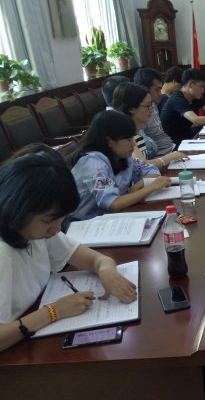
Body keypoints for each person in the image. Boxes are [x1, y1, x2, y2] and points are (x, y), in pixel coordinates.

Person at [0, 146, 137, 352]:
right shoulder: (3, 253)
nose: (56, 229)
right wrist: (54, 311)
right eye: (49, 221)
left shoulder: (34, 230)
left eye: (61, 220)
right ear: (17, 207)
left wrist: (106, 270)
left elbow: (96, 259)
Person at [69, 110, 171, 223]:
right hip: (85, 223)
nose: (133, 144)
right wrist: (151, 187)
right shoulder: (93, 164)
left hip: (114, 217)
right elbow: (113, 204)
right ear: (109, 141)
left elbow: (150, 169)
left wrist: (139, 185)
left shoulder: (122, 156)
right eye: (128, 140)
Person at [111, 82, 186, 169]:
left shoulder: (138, 131)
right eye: (147, 106)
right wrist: (171, 157)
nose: (151, 110)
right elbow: (142, 166)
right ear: (131, 108)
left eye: (151, 105)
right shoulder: (125, 136)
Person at [133, 67, 179, 157]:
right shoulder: (138, 113)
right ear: (145, 88)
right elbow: (145, 156)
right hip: (161, 156)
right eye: (157, 89)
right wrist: (170, 157)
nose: (160, 93)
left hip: (171, 148)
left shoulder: (153, 104)